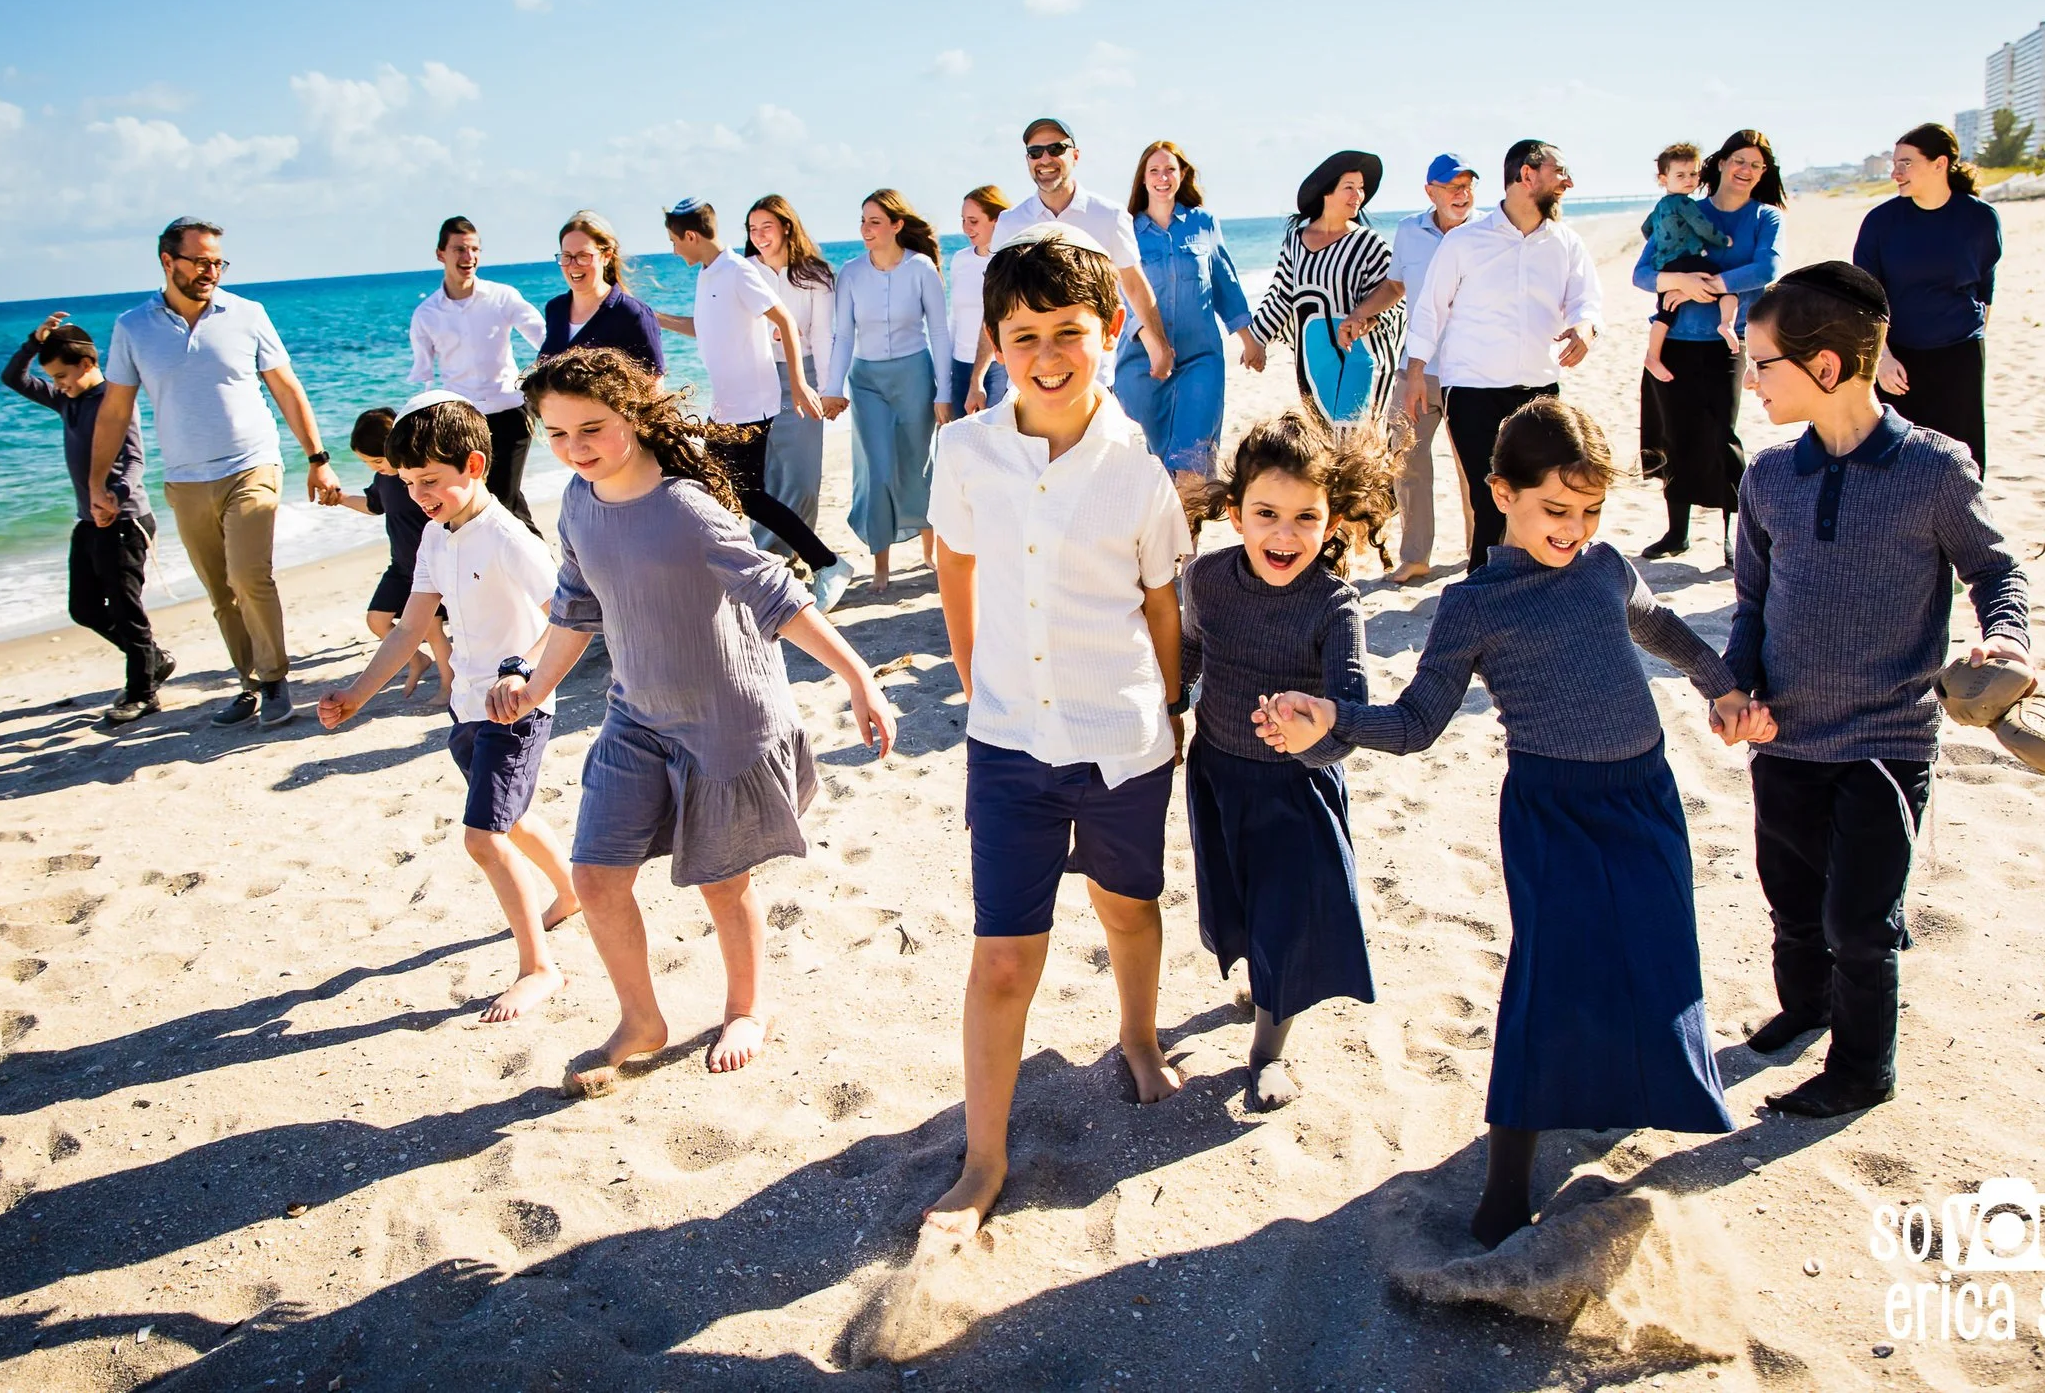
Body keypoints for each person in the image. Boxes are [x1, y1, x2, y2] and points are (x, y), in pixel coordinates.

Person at [1258, 397, 1759, 1247]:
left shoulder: (1603, 568)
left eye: (1591, 510)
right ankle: (1505, 1180)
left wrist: (1724, 684)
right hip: (1552, 812)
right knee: (1547, 984)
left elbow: (1661, 625)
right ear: (1501, 492)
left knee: (1654, 956)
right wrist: (1332, 723)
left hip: (1647, 797)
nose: (1575, 528)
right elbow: (1417, 722)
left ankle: (1622, 1097)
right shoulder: (1474, 604)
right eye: (1556, 509)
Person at [492, 347, 895, 1087]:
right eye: (555, 434)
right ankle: (642, 1017)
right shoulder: (578, 500)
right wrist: (534, 685)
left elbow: (777, 596)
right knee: (595, 876)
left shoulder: (684, 508)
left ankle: (747, 1006)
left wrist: (857, 674)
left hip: (724, 720)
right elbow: (577, 606)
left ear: (635, 416)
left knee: (723, 880)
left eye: (592, 428)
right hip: (635, 717)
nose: (575, 448)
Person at [923, 225, 1193, 1240]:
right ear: (994, 340)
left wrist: (1169, 704)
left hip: (1122, 734)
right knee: (1003, 955)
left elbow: (1161, 601)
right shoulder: (965, 449)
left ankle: (1136, 1032)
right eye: (1023, 332)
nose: (1046, 353)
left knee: (1128, 907)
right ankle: (983, 1155)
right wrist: (969, 670)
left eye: (1068, 330)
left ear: (1110, 328)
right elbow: (955, 561)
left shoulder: (1138, 469)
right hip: (1006, 745)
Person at [1728, 262, 2031, 1118]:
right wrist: (1738, 686)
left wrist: (2004, 636)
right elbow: (1751, 599)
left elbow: (1996, 570)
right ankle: (1806, 1007)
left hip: (1886, 741)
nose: (1751, 380)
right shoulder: (1769, 477)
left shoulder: (1935, 470)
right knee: (1790, 901)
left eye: (1764, 363)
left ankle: (1863, 1069)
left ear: (1825, 369)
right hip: (1783, 735)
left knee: (1861, 924)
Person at [317, 397, 580, 1023]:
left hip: (515, 708)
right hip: (465, 706)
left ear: (475, 464)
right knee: (510, 820)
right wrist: (358, 692)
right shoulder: (435, 536)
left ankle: (539, 967)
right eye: (408, 484)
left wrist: (526, 677)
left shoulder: (508, 537)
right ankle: (570, 892)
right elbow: (409, 628)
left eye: (430, 481)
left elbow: (570, 616)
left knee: (483, 837)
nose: (419, 497)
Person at [1181, 409, 1390, 1109]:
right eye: (1267, 513)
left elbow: (1351, 715)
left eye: (1306, 517)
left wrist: (1314, 736)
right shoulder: (1206, 579)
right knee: (1237, 907)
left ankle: (1268, 1052)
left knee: (1287, 924)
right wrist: (1168, 698)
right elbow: (1189, 649)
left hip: (1297, 793)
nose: (1284, 533)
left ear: (1332, 523)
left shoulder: (1336, 607)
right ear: (1236, 513)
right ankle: (1256, 981)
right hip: (1218, 775)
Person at [93, 217, 340, 729]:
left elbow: (286, 387)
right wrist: (96, 483)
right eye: (201, 261)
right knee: (220, 591)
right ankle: (249, 682)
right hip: (185, 480)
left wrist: (317, 458)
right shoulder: (132, 328)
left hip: (251, 464)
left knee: (249, 576)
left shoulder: (247, 314)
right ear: (168, 261)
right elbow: (115, 410)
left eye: (217, 262)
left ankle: (274, 682)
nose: (211, 271)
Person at [1402, 139, 1602, 572]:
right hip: (1472, 389)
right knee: (1489, 495)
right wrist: (1416, 372)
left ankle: (1537, 580)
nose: (1567, 182)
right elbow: (1430, 310)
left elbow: (1586, 301)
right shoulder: (1464, 242)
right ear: (1527, 176)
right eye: (1559, 172)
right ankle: (1483, 587)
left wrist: (1585, 327)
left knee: (1541, 493)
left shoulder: (1566, 242)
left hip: (1541, 389)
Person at [655, 198, 856, 611]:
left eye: (675, 241)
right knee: (717, 489)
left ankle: (827, 563)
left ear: (692, 236)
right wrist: (655, 318)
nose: (674, 250)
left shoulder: (738, 270)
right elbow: (704, 327)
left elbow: (783, 318)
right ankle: (747, 567)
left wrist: (800, 383)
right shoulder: (709, 274)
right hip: (726, 405)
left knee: (745, 494)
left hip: (752, 404)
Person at [0, 312, 173, 724]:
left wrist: (116, 495)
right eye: (53, 378)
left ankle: (143, 692)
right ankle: (152, 659)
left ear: (88, 364)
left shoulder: (114, 401)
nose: (58, 384)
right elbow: (13, 379)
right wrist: (33, 340)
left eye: (62, 375)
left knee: (128, 610)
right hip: (87, 522)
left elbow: (134, 459)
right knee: (85, 608)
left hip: (125, 521)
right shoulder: (66, 400)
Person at [1634, 128, 1785, 562]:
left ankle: (1731, 536)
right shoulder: (1682, 209)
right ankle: (1676, 533)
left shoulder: (1764, 218)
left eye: (1757, 165)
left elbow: (1768, 267)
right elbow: (1642, 274)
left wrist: (1714, 286)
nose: (1747, 171)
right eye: (1740, 161)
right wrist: (1681, 281)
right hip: (1673, 343)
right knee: (1672, 435)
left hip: (1728, 343)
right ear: (1719, 164)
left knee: (1722, 437)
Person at [1338, 151, 1480, 580]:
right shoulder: (1409, 231)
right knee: (1408, 461)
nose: (1463, 194)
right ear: (1430, 191)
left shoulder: (1490, 230)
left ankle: (1481, 553)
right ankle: (1416, 556)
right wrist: (1362, 314)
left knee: (1473, 465)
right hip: (1416, 366)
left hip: (1475, 371)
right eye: (1454, 186)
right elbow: (1396, 284)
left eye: (1469, 186)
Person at [819, 189, 954, 592]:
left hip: (915, 375)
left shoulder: (922, 268)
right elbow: (843, 335)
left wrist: (943, 392)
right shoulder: (852, 273)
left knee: (918, 465)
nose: (865, 229)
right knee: (877, 472)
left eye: (874, 221)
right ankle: (881, 564)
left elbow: (941, 332)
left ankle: (929, 552)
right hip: (867, 382)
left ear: (897, 225)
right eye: (863, 221)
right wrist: (832, 387)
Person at [1851, 123, 2002, 476]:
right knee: (1894, 463)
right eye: (1894, 163)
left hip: (1959, 356)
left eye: (1906, 163)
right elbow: (1864, 297)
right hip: (1897, 358)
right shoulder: (1880, 222)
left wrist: (1971, 347)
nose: (1895, 172)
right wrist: (1881, 358)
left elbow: (1985, 290)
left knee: (1960, 461)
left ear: (1940, 164)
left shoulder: (1979, 218)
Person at [991, 118, 1175, 386]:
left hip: (1093, 379)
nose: (1045, 159)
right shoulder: (1010, 223)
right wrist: (979, 374)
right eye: (1035, 152)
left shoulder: (1109, 216)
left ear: (1075, 156)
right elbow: (995, 301)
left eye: (1056, 149)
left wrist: (1159, 344)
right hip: (1028, 380)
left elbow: (1134, 284)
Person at [1122, 139, 1261, 477]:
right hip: (1145, 364)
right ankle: (1173, 527)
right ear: (1142, 179)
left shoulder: (1204, 223)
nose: (1162, 177)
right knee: (1159, 459)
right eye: (1153, 170)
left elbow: (1225, 284)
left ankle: (1190, 526)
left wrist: (1249, 339)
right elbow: (1123, 300)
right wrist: (1156, 348)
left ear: (1182, 174)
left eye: (1169, 169)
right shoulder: (1126, 230)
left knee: (1191, 455)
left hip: (1201, 358)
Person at [1250, 151, 1403, 441]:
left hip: (1362, 359)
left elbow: (1395, 298)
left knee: (1361, 448)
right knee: (1324, 444)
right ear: (1326, 192)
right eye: (1349, 187)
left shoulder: (1369, 244)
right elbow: (1282, 294)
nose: (1358, 195)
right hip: (1314, 361)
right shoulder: (1296, 239)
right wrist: (1256, 340)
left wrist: (1368, 318)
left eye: (1361, 188)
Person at [408, 215, 546, 529]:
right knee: (487, 504)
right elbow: (424, 379)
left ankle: (537, 572)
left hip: (510, 412)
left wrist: (546, 383)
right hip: (461, 422)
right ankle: (541, 569)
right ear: (440, 254)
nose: (468, 257)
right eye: (459, 249)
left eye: (474, 249)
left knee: (500, 500)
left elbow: (546, 339)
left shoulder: (502, 297)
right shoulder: (426, 315)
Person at [324, 404, 451, 700]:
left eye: (377, 460)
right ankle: (416, 659)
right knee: (377, 620)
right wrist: (340, 499)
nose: (374, 468)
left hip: (429, 567)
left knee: (432, 628)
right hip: (400, 567)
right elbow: (373, 506)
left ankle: (448, 685)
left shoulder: (417, 476)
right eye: (368, 463)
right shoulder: (383, 478)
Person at [743, 195, 843, 564]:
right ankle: (765, 560)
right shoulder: (744, 270)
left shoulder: (815, 273)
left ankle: (796, 554)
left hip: (805, 377)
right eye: (753, 229)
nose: (759, 236)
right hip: (758, 382)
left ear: (786, 226)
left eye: (766, 226)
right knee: (767, 478)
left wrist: (830, 388)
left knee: (802, 478)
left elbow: (821, 334)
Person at [1637, 144, 1737, 383]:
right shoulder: (1685, 203)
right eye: (1680, 175)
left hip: (1666, 265)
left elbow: (1646, 229)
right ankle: (1726, 323)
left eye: (1693, 174)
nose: (1689, 180)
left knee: (1666, 311)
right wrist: (1724, 240)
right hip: (1688, 260)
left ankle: (1652, 356)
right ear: (1663, 179)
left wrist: (1662, 242)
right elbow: (1703, 227)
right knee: (1725, 284)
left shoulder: (1660, 206)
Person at [539, 211, 666, 372]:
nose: (573, 265)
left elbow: (654, 387)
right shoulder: (555, 309)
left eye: (583, 256)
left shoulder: (632, 314)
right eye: (566, 256)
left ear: (606, 256)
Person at [951, 184, 1013, 413]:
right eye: (963, 220)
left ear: (996, 220)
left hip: (998, 365)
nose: (966, 228)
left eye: (973, 221)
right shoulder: (960, 260)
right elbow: (954, 318)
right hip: (960, 365)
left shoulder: (1009, 262)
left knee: (993, 440)